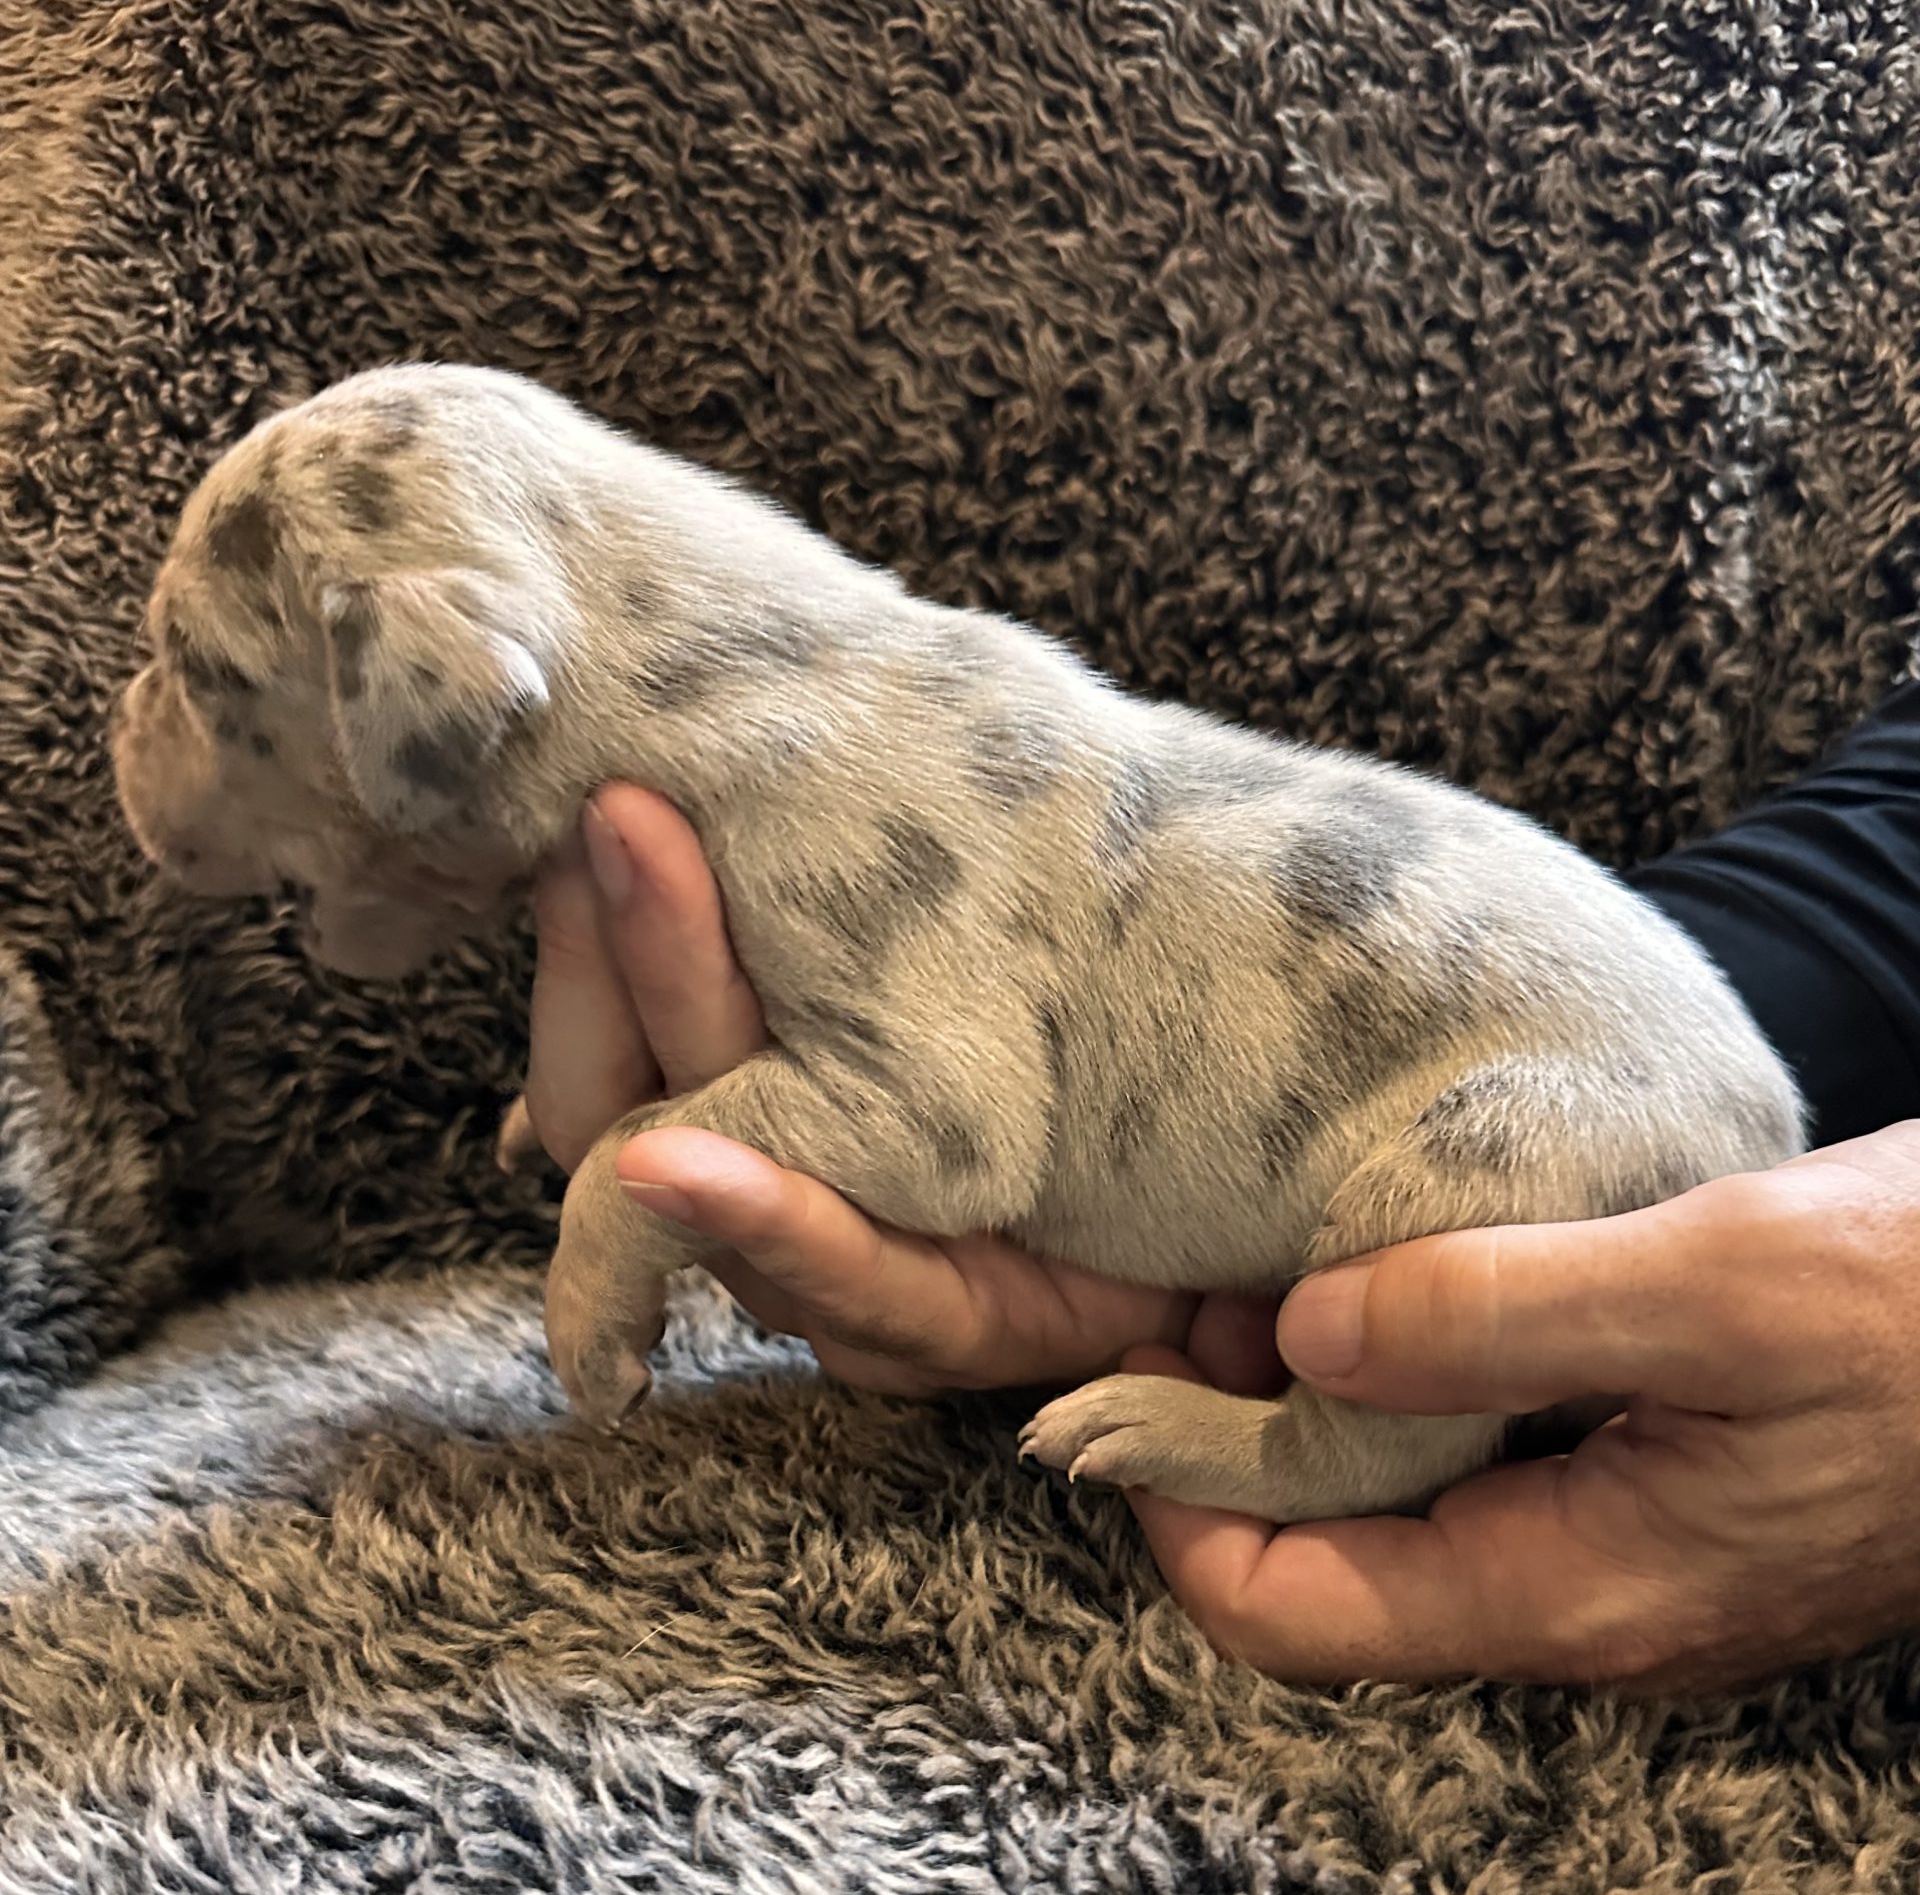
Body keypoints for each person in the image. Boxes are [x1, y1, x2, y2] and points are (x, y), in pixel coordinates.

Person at [523, 687, 1920, 1694]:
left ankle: (1337, 1452)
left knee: (1384, 1300)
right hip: (1637, 1034)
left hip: (1574, 1100)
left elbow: (947, 1127)